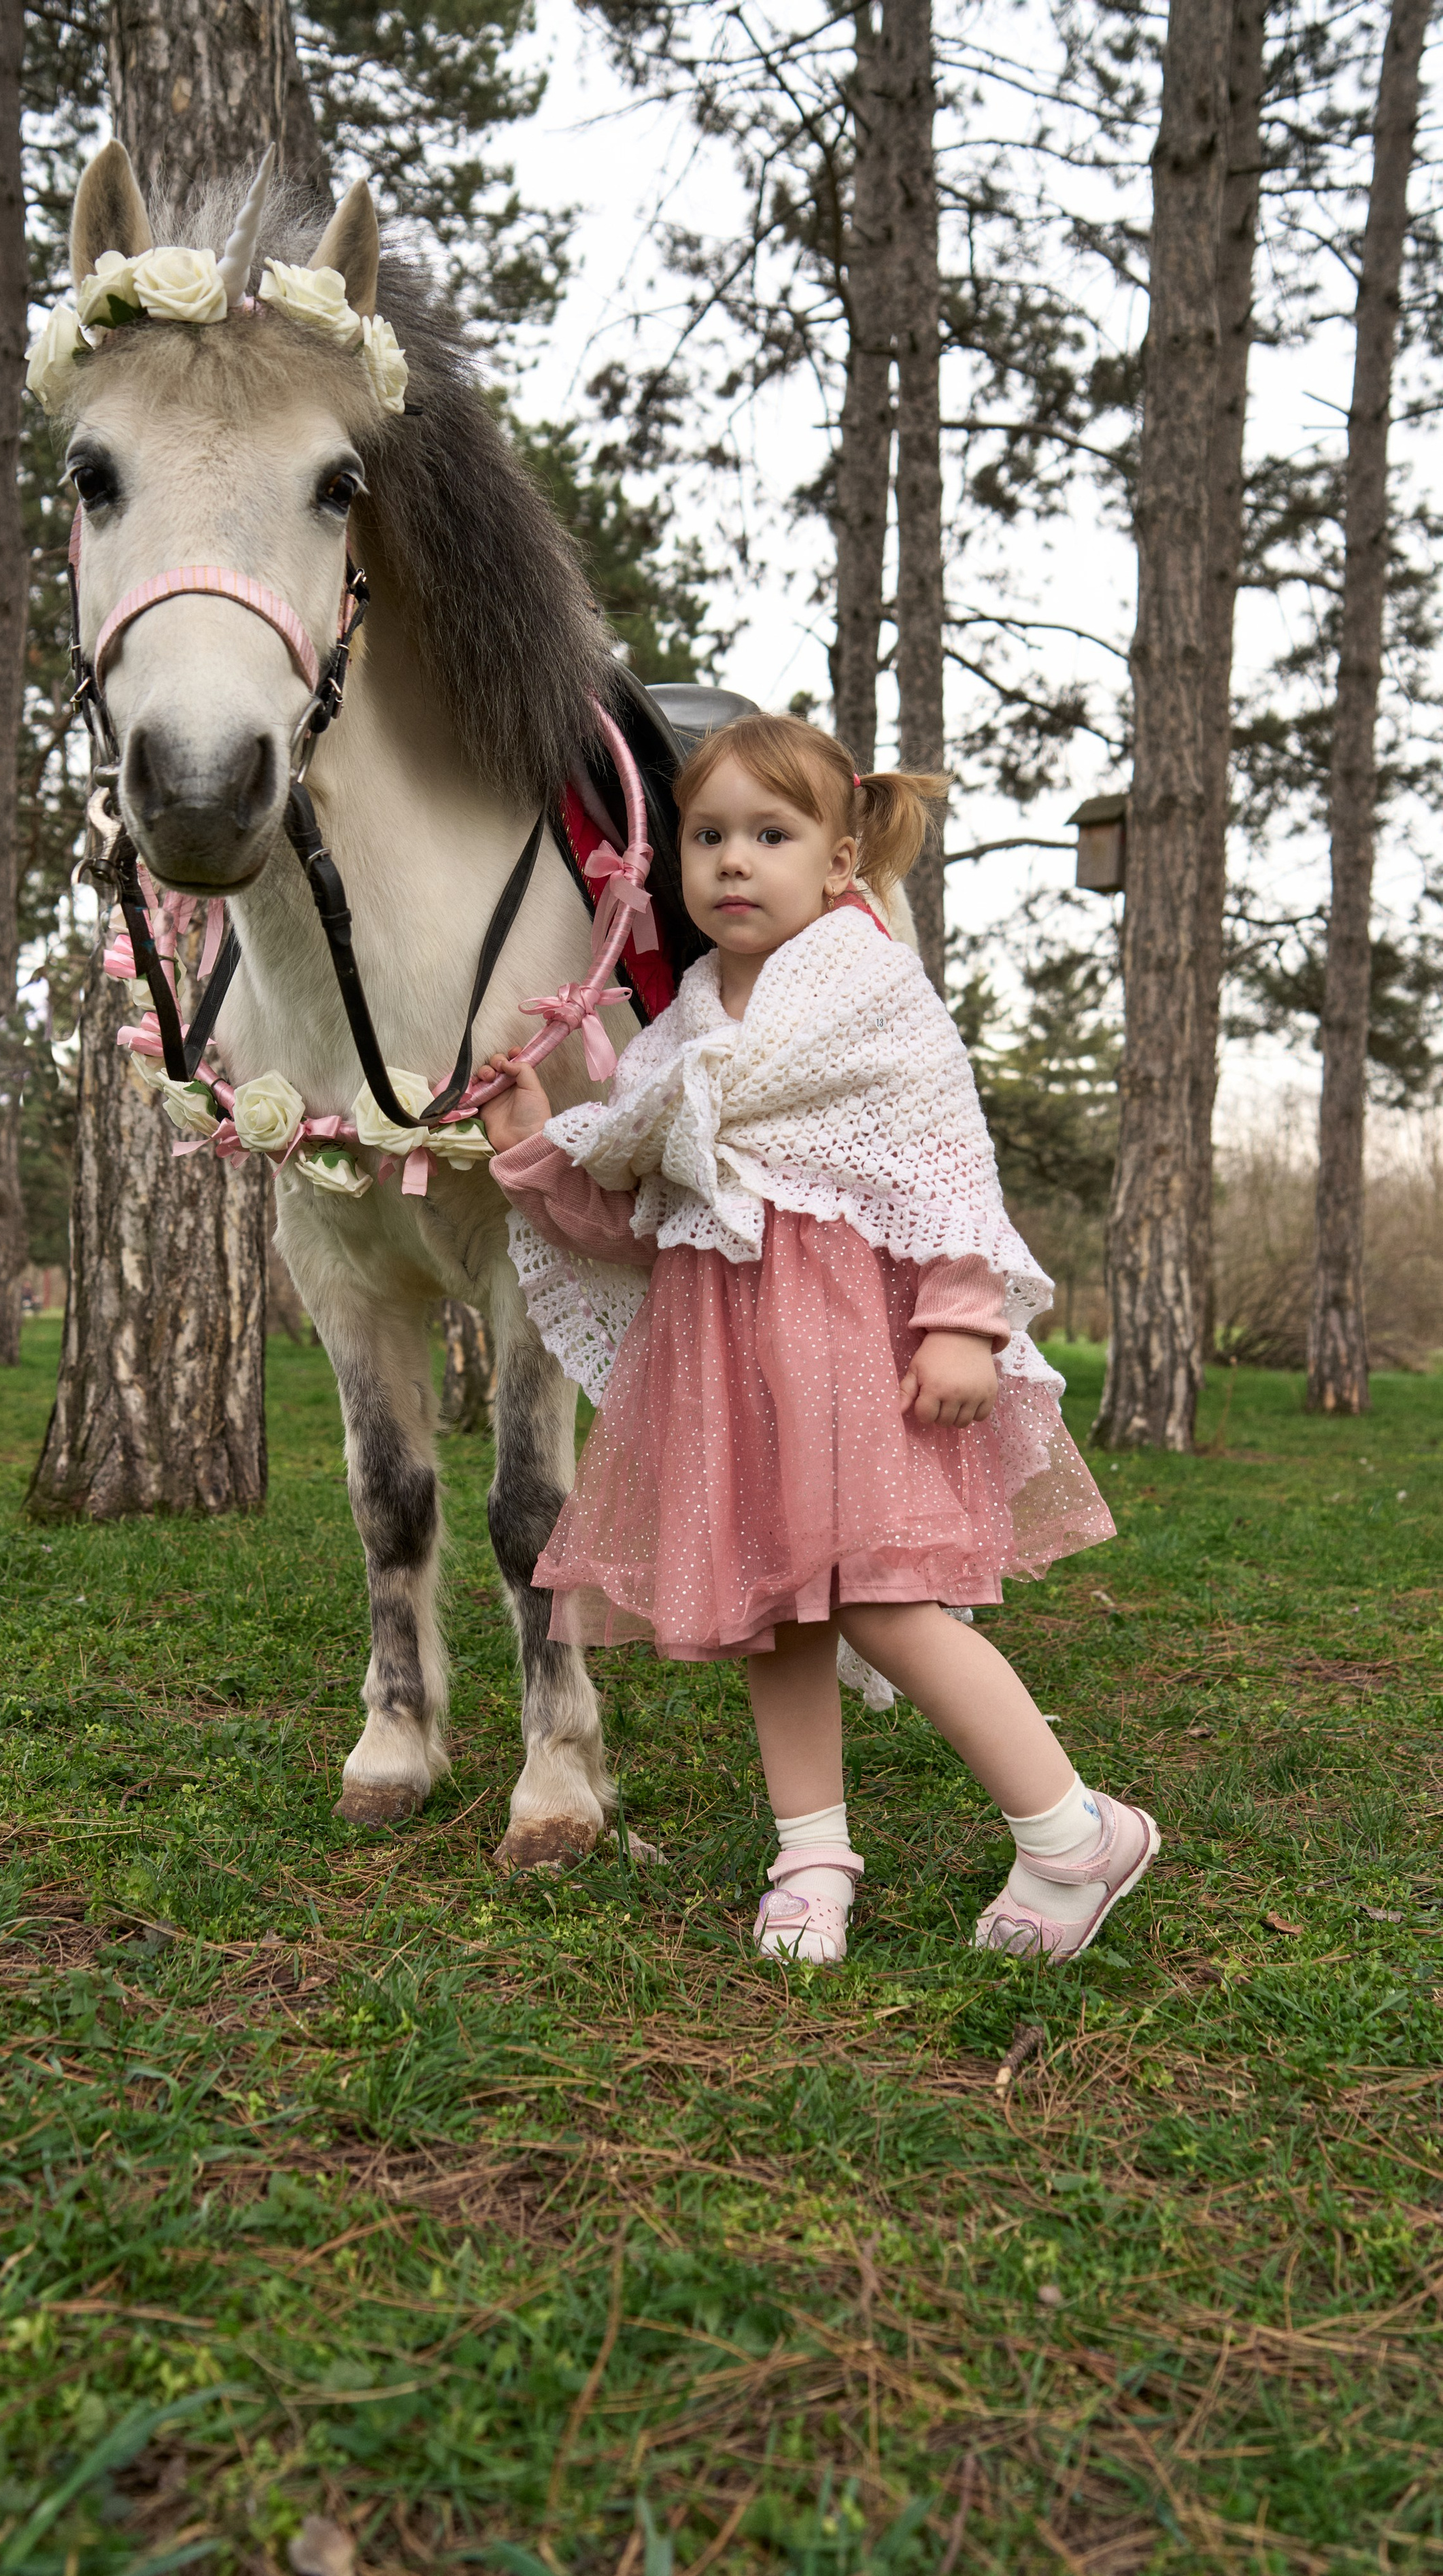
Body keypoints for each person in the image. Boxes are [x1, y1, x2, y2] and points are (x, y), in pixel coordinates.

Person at [475, 713, 1159, 1966]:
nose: (734, 861)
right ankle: (812, 1852)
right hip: (724, 1357)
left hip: (849, 1345)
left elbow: (944, 1167)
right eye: (708, 836)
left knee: (886, 1602)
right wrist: (537, 1142)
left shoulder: (866, 987)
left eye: (770, 836)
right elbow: (639, 1212)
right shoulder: (681, 1026)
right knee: (771, 1614)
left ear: (841, 862)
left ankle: (1072, 1830)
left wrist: (963, 1320)